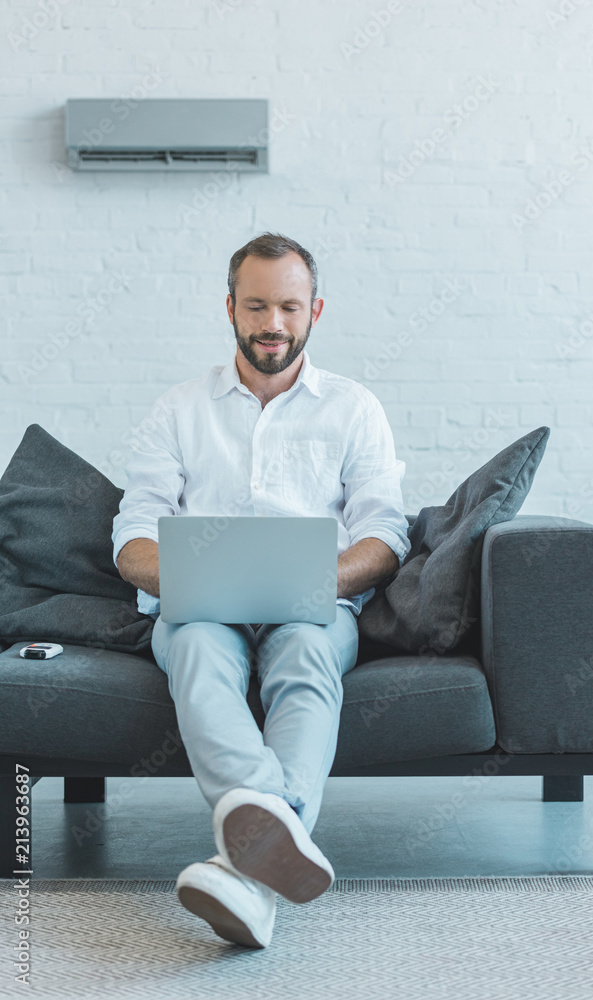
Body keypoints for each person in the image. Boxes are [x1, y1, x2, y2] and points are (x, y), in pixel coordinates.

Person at [111, 231, 410, 949]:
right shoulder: (179, 408)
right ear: (230, 308)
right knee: (196, 652)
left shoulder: (353, 407)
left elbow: (386, 536)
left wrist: (313, 580)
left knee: (307, 661)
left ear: (315, 311)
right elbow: (132, 535)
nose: (271, 323)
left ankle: (242, 870)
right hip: (201, 607)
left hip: (313, 604)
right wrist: (189, 577)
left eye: (287, 306)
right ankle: (270, 845)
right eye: (255, 306)